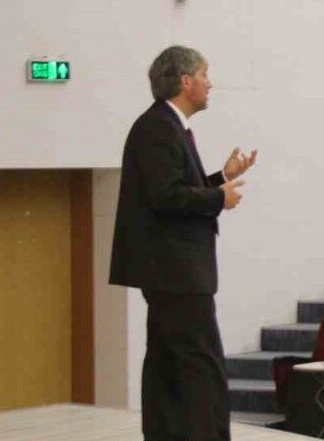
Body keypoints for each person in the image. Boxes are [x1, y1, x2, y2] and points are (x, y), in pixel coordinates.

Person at [109, 45, 258, 441]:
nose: (211, 83)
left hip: (170, 269)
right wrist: (219, 198)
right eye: (205, 75)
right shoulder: (158, 127)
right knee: (201, 364)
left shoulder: (163, 125)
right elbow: (167, 197)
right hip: (176, 269)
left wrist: (220, 178)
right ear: (185, 80)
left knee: (167, 362)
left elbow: (175, 190)